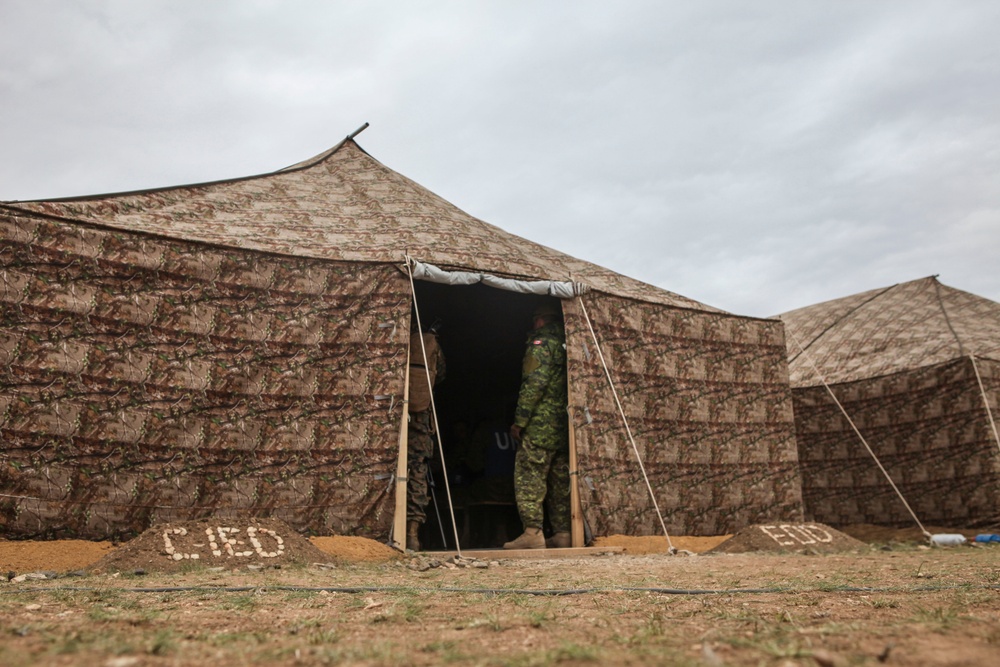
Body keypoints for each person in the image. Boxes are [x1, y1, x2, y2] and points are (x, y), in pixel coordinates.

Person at [504, 303, 571, 549]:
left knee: (529, 477)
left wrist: (520, 421)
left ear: (540, 320)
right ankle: (563, 533)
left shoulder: (541, 344)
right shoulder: (572, 343)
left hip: (540, 424)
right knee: (560, 480)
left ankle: (532, 533)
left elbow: (534, 384)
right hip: (566, 427)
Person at [406, 319, 446, 551]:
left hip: (398, 423)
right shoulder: (431, 345)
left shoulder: (396, 340)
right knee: (418, 475)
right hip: (421, 423)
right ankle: (413, 534)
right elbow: (440, 375)